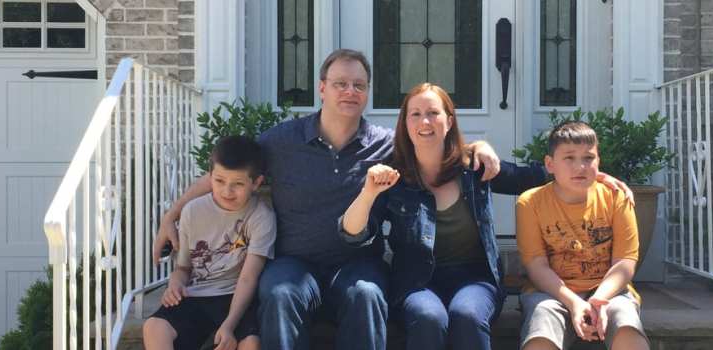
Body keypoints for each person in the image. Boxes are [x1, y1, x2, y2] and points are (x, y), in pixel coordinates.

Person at [152, 49, 502, 350]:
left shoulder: (384, 145)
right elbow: (227, 172)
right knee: (278, 294)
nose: (350, 91)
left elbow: (432, 145)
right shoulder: (282, 141)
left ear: (366, 93)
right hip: (295, 261)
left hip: (358, 261)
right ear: (322, 88)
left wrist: (476, 148)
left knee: (366, 295)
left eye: (359, 85)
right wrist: (172, 215)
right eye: (340, 83)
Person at [339, 83, 546, 350]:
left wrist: (590, 176)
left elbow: (527, 178)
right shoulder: (394, 177)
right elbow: (353, 233)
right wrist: (368, 193)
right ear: (405, 124)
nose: (424, 121)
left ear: (449, 121)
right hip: (417, 281)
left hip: (476, 278)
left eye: (433, 113)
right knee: (429, 317)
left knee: (467, 315)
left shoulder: (474, 167)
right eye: (415, 114)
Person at [516, 121, 649, 350]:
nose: (580, 167)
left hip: (610, 290)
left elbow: (625, 262)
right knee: (542, 322)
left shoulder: (616, 197)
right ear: (550, 164)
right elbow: (536, 265)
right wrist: (574, 303)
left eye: (588, 158)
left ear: (599, 162)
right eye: (569, 158)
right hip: (551, 292)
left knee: (625, 321)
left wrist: (598, 300)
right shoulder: (530, 203)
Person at [143, 135, 275, 350]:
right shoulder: (192, 211)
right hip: (198, 294)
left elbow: (248, 278)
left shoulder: (261, 216)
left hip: (237, 298)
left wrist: (229, 325)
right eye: (219, 181)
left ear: (256, 183)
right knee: (154, 327)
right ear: (210, 176)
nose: (226, 191)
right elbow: (183, 268)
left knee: (250, 344)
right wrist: (175, 284)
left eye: (238, 184)